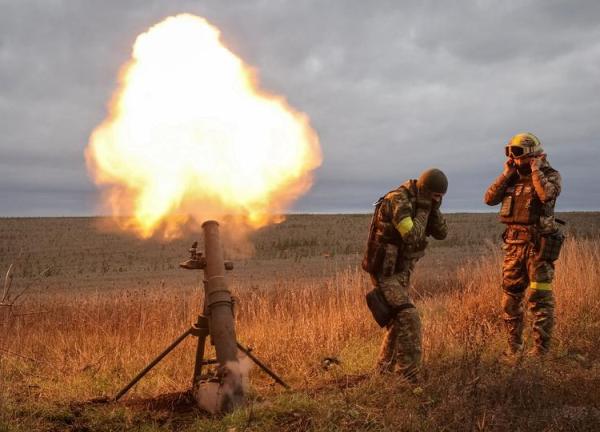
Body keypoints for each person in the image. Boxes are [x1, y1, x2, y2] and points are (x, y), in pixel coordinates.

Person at [362, 168, 448, 382]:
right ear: (425, 190)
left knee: (397, 321)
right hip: (385, 271)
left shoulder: (424, 201)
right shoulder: (398, 200)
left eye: (441, 198)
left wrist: (432, 207)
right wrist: (424, 208)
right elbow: (411, 236)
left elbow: (442, 233)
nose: (437, 200)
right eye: (435, 196)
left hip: (401, 271)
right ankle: (408, 377)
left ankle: (383, 372)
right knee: (408, 316)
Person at [484, 132, 563, 358]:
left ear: (531, 154)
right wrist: (506, 173)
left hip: (538, 248)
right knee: (510, 299)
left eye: (517, 153)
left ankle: (541, 353)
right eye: (509, 152)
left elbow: (547, 195)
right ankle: (513, 349)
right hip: (513, 247)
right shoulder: (512, 176)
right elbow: (489, 199)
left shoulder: (550, 175)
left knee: (540, 300)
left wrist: (536, 169)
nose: (513, 157)